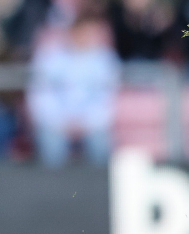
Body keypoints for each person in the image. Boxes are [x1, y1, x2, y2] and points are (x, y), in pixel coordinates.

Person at [27, 13, 121, 168]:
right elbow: (40, 95)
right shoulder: (49, 57)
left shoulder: (106, 60)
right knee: (51, 145)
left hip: (92, 124)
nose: (86, 37)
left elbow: (107, 99)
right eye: (82, 32)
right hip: (56, 123)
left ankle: (99, 188)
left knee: (100, 145)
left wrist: (86, 122)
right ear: (72, 32)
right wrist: (60, 121)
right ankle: (52, 189)